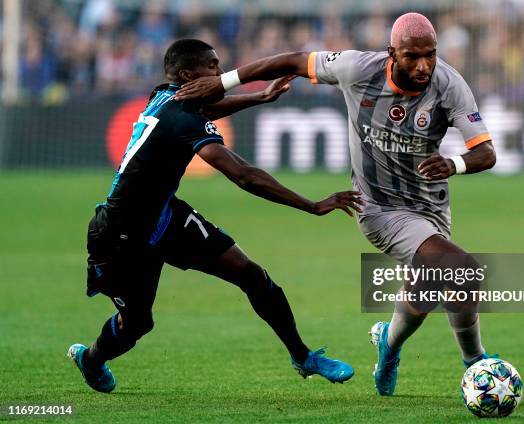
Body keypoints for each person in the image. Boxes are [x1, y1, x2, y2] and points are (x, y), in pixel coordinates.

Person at [175, 12, 498, 396]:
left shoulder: (449, 84)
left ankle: (388, 347)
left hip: (431, 207)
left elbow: (486, 153)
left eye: (430, 54)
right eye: (412, 56)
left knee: (424, 294)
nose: (424, 65)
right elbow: (292, 60)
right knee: (462, 271)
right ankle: (477, 365)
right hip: (378, 207)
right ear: (391, 52)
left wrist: (454, 163)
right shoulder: (357, 68)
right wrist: (224, 81)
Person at [68, 39, 362, 393]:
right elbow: (243, 175)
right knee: (136, 324)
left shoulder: (165, 94)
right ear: (189, 75)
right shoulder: (180, 117)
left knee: (252, 275)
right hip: (120, 236)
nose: (220, 74)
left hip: (164, 219)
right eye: (214, 66)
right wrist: (312, 205)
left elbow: (205, 109)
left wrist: (258, 97)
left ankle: (303, 356)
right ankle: (91, 360)